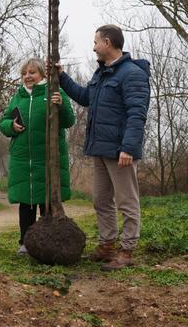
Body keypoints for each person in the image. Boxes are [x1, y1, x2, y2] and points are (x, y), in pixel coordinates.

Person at [56, 24, 150, 271]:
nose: (94, 46)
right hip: (99, 148)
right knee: (101, 201)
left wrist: (128, 147)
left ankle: (127, 250)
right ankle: (107, 245)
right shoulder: (101, 74)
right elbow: (86, 98)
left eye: (96, 41)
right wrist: (62, 78)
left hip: (120, 150)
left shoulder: (132, 73)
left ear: (107, 42)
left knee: (127, 201)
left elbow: (137, 113)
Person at [0, 58, 75, 254]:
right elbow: (4, 122)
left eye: (32, 72)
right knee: (26, 203)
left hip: (47, 159)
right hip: (23, 159)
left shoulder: (54, 92)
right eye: (24, 73)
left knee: (46, 201)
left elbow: (69, 121)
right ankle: (25, 243)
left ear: (42, 74)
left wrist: (61, 105)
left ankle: (47, 241)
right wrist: (11, 126)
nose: (27, 76)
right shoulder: (18, 96)